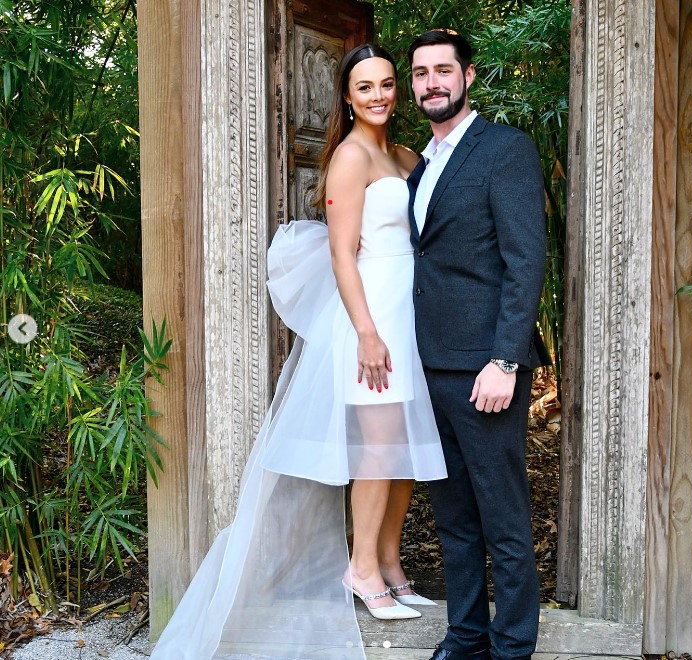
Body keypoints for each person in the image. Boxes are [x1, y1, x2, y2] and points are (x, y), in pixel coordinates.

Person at [149, 43, 446, 660]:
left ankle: (389, 566)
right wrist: (365, 330)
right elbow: (343, 253)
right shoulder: (349, 157)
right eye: (365, 87)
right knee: (378, 450)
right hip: (371, 320)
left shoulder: (408, 156)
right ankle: (360, 569)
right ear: (347, 96)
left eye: (387, 84)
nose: (380, 96)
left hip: (408, 313)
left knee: (399, 453)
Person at [405, 29, 551, 660]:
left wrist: (505, 360)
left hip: (486, 367)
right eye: (420, 73)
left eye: (443, 70)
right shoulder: (422, 164)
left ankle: (514, 644)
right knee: (454, 517)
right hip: (428, 364)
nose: (430, 82)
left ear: (467, 76)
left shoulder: (503, 149)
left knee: (502, 514)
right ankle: (464, 636)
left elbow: (526, 262)